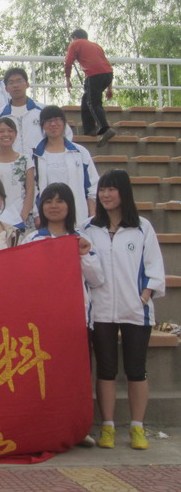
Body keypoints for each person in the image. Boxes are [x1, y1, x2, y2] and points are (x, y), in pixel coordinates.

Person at [81, 170, 165, 451]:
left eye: (111, 189)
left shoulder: (142, 227)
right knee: (106, 370)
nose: (105, 195)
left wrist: (144, 296)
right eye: (102, 190)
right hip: (101, 311)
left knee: (136, 370)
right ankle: (108, 426)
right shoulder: (88, 228)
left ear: (124, 193)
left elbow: (154, 267)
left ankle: (137, 427)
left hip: (136, 311)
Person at [22, 181, 104, 332]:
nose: (53, 206)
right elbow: (24, 281)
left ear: (69, 206)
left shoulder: (82, 240)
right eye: (48, 201)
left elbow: (97, 280)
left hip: (77, 319)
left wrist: (85, 255)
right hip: (42, 319)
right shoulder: (32, 240)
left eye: (60, 201)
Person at [32, 106, 98, 229]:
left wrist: (92, 215)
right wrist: (37, 215)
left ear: (64, 123)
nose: (53, 124)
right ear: (42, 125)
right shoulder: (35, 156)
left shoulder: (80, 152)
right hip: (47, 220)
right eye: (48, 121)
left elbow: (92, 186)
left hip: (79, 218)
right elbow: (33, 189)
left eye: (57, 119)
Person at [0, 68, 72, 156]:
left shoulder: (43, 111)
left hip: (41, 161)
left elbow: (66, 133)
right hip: (10, 162)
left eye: (19, 81)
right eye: (11, 83)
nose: (15, 85)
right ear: (6, 89)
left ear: (27, 84)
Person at [65, 28, 115, 145]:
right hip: (108, 75)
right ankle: (89, 129)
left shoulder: (75, 44)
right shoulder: (96, 46)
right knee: (86, 100)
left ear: (75, 37)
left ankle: (106, 129)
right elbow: (106, 65)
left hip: (93, 76)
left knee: (93, 103)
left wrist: (67, 79)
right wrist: (109, 88)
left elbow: (68, 62)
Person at [0, 117, 36, 230]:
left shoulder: (25, 159)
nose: (6, 134)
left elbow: (30, 190)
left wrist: (23, 216)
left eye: (10, 131)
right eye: (1, 131)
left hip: (21, 217)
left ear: (16, 134)